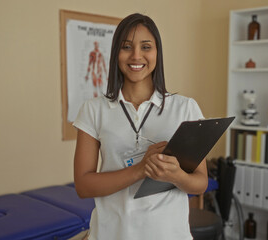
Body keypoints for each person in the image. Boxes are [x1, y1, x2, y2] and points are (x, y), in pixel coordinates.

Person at [73, 13, 208, 240]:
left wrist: (177, 176)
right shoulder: (93, 110)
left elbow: (200, 183)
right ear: (116, 52)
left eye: (146, 47)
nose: (136, 55)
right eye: (127, 47)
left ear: (157, 53)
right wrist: (139, 169)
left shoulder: (185, 108)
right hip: (111, 234)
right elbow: (83, 186)